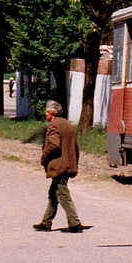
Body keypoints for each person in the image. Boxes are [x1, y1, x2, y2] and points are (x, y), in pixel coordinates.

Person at [33, 100, 83, 233]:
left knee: (62, 193)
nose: (45, 114)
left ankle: (75, 224)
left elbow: (53, 145)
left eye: (47, 111)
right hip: (68, 163)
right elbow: (75, 147)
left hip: (60, 165)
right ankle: (46, 222)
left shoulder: (53, 126)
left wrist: (44, 157)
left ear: (51, 113)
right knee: (53, 193)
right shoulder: (67, 124)